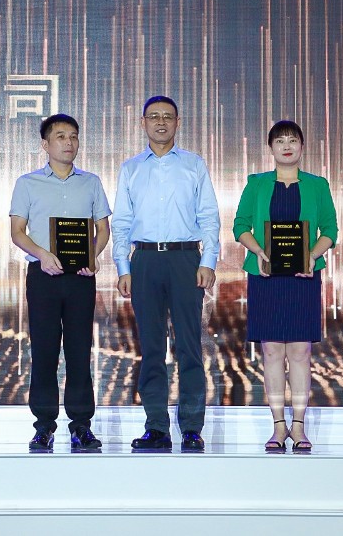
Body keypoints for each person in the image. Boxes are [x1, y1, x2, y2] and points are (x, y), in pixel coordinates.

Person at [111, 95, 220, 451]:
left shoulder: (193, 165)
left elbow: (209, 216)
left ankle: (191, 428)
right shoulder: (131, 168)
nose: (161, 122)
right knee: (151, 347)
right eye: (154, 117)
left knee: (189, 346)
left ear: (178, 122)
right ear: (143, 123)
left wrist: (208, 261)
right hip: (144, 260)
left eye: (168, 117)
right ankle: (156, 427)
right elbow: (122, 221)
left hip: (185, 259)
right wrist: (123, 266)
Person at [232, 120, 337, 453]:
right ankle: (278, 426)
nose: (287, 146)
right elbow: (240, 225)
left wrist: (311, 256)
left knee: (301, 352)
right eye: (280, 141)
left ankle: (299, 426)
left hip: (303, 278)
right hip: (266, 276)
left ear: (302, 146)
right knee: (272, 352)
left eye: (293, 140)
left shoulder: (318, 185)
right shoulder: (257, 183)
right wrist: (259, 252)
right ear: (271, 148)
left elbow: (330, 230)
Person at [9, 113, 111, 452]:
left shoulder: (91, 182)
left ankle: (81, 425)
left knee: (80, 351)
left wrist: (93, 255)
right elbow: (17, 232)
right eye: (61, 136)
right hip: (44, 277)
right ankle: (43, 426)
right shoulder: (28, 183)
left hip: (81, 278)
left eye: (73, 136)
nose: (69, 143)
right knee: (44, 351)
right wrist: (42, 254)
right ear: (46, 144)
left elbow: (103, 229)